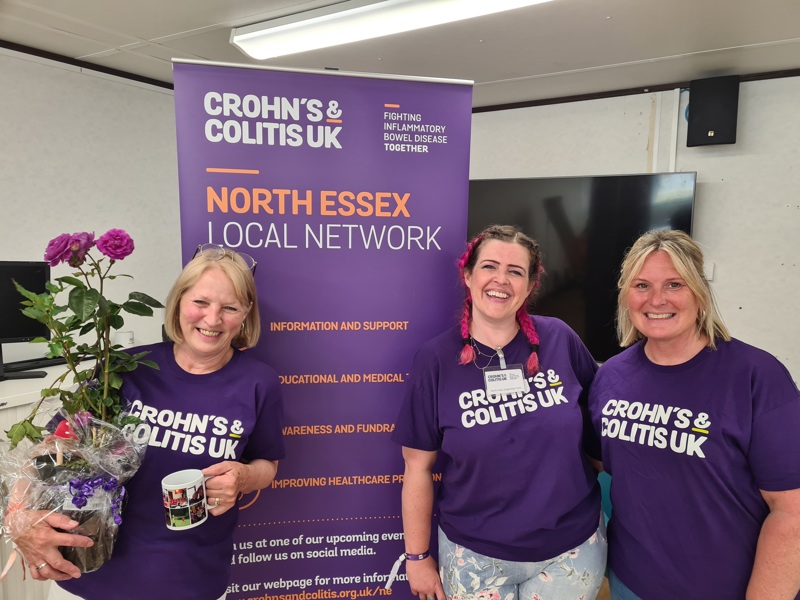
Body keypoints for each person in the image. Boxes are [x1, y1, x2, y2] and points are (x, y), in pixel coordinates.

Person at [10, 244, 285, 599]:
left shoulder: (258, 382)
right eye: (200, 302)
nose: (212, 319)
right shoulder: (123, 367)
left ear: (246, 313)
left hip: (190, 582)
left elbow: (267, 462)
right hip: (87, 572)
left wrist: (245, 477)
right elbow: (50, 451)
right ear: (179, 301)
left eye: (229, 307)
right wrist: (18, 518)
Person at [392, 224, 606, 600]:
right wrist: (417, 556)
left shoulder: (560, 339)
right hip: (474, 556)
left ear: (530, 284)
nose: (501, 280)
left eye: (516, 271)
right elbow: (417, 468)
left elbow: (601, 425)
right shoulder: (435, 360)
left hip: (570, 549)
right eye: (490, 266)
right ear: (468, 274)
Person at [588, 229, 800, 600]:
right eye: (641, 285)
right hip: (629, 583)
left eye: (674, 284)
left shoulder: (757, 377)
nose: (656, 300)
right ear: (626, 295)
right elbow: (603, 466)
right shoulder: (610, 376)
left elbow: (791, 513)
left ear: (699, 293)